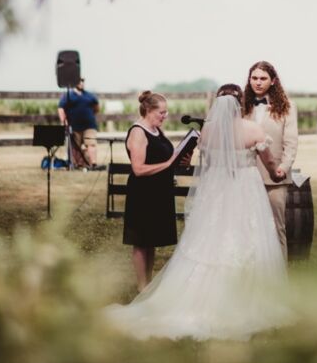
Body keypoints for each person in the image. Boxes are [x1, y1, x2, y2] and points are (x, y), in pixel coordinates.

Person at [105, 85, 290, 340]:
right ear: (240, 103)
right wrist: (276, 172)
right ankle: (245, 297)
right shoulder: (253, 130)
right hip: (245, 189)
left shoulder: (208, 132)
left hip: (217, 190)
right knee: (248, 236)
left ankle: (197, 294)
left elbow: (206, 162)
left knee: (212, 238)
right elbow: (269, 162)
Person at [122, 90, 189, 290]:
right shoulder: (138, 132)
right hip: (142, 193)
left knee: (151, 240)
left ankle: (148, 285)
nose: (165, 116)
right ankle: (142, 286)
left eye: (166, 112)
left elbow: (164, 158)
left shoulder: (156, 130)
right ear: (149, 110)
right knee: (141, 241)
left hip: (159, 192)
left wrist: (180, 159)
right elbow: (138, 169)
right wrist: (169, 163)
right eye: (162, 112)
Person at [244, 60, 299, 253]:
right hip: (246, 177)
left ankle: (279, 278)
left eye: (263, 78)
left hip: (275, 178)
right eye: (254, 78)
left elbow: (291, 143)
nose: (258, 82)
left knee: (276, 228)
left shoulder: (287, 107)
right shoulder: (242, 106)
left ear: (273, 81)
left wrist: (283, 167)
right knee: (248, 229)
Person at [57, 77, 101, 171]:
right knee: (75, 146)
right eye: (79, 81)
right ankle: (77, 164)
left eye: (83, 81)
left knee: (91, 144)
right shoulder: (68, 95)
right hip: (74, 126)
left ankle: (93, 164)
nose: (81, 83)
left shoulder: (90, 95)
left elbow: (96, 108)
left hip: (89, 125)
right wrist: (64, 121)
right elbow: (61, 108)